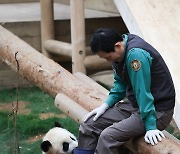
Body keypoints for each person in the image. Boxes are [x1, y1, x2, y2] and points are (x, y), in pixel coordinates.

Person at [74, 28, 175, 154]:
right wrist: (106, 105)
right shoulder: (121, 51)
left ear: (117, 45)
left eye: (108, 57)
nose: (108, 61)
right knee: (89, 124)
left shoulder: (135, 56)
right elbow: (120, 85)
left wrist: (150, 126)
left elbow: (142, 91)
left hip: (157, 110)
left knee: (107, 137)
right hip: (136, 105)